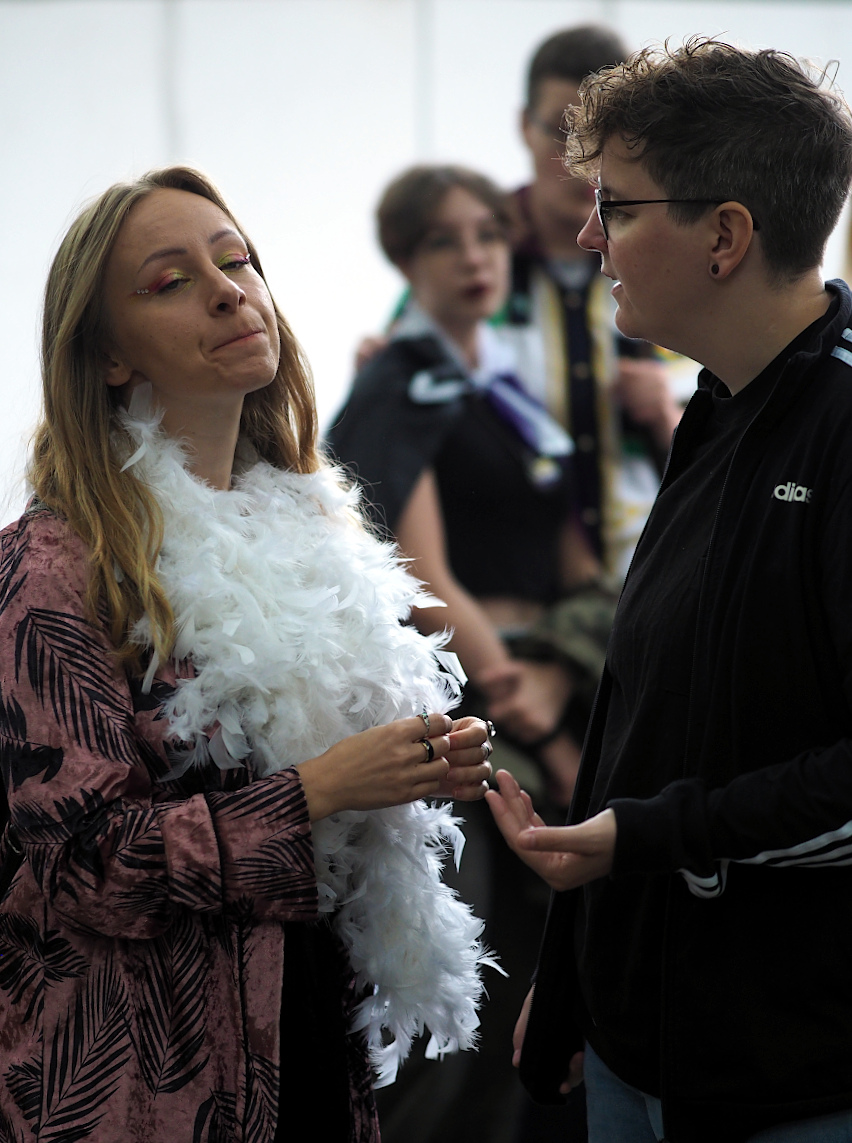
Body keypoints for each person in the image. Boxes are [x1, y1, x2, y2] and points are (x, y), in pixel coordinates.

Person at [0, 165, 496, 1143]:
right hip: (148, 1081)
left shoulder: (312, 528)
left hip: (308, 1032)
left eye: (237, 261)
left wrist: (411, 764)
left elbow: (331, 808)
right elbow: (86, 866)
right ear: (107, 355)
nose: (230, 291)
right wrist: (319, 789)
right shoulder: (53, 566)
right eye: (171, 280)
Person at [487, 36, 852, 1143]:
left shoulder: (840, 435)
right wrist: (576, 972)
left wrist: (644, 838)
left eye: (618, 205)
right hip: (637, 1047)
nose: (588, 232)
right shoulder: (720, 403)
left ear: (725, 236)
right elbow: (638, 719)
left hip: (788, 1079)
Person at [328, 165, 607, 1142]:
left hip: (549, 688)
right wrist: (517, 695)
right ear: (405, 259)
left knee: (547, 1003)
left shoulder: (510, 394)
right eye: (445, 240)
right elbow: (416, 574)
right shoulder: (399, 383)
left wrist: (562, 672)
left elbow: (584, 567)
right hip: (466, 712)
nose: (475, 256)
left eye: (489, 233)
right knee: (469, 1003)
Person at [504, 24, 683, 580]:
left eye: (603, 133)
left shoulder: (674, 258)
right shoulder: (473, 254)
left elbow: (733, 442)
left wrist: (668, 414)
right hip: (515, 596)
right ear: (523, 127)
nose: (581, 157)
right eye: (563, 132)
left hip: (648, 578)